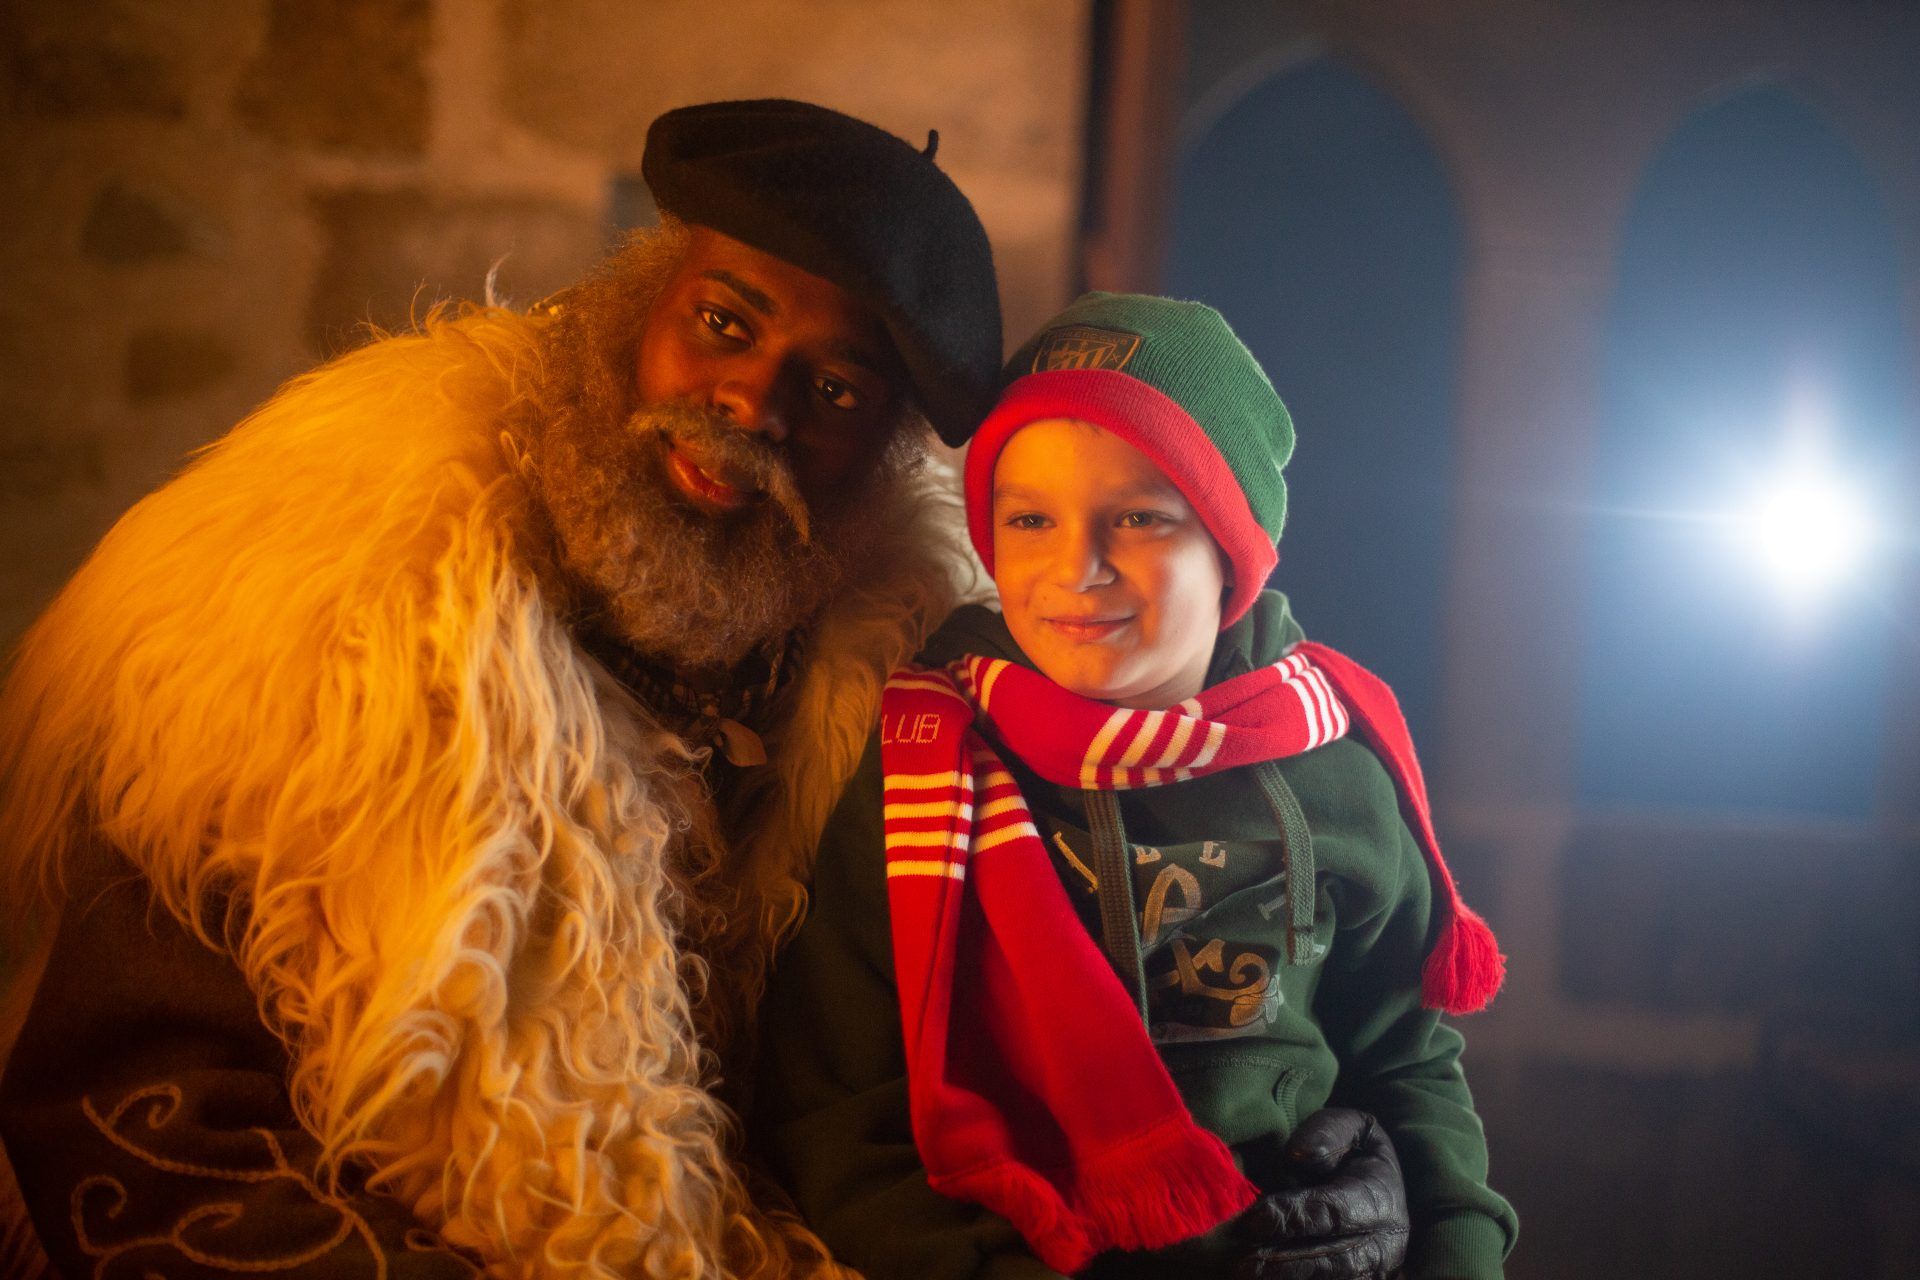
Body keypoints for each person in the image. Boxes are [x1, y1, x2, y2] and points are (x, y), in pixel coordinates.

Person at [0, 99, 1004, 1279]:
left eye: (835, 392)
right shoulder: (328, 603)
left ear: (884, 452)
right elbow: (138, 1116)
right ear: (634, 303)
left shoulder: (884, 685)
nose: (751, 403)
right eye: (723, 322)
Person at [754, 293, 1519, 1279]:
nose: (1077, 566)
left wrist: (1453, 1249)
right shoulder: (923, 768)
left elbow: (1405, 1062)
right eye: (1029, 517)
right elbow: (839, 1102)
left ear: (1231, 547)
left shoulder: (1333, 763)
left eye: (1141, 517)